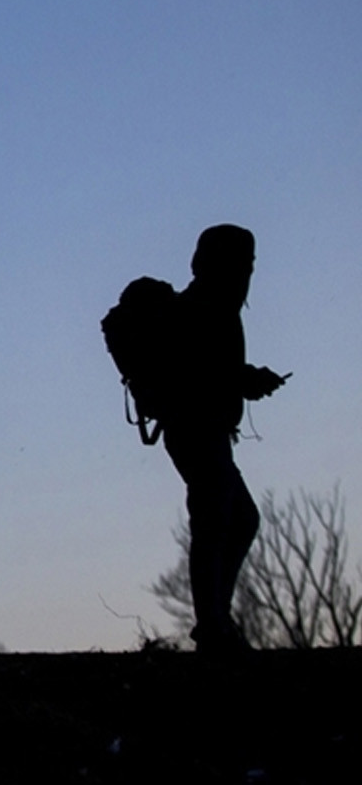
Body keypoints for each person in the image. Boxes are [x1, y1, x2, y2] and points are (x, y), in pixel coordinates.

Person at [161, 224, 287, 654]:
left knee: (238, 519)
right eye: (244, 262)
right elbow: (203, 372)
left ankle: (216, 619)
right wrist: (249, 380)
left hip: (205, 430)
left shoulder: (211, 305)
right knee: (214, 521)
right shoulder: (204, 307)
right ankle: (212, 625)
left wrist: (246, 380)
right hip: (195, 429)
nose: (248, 272)